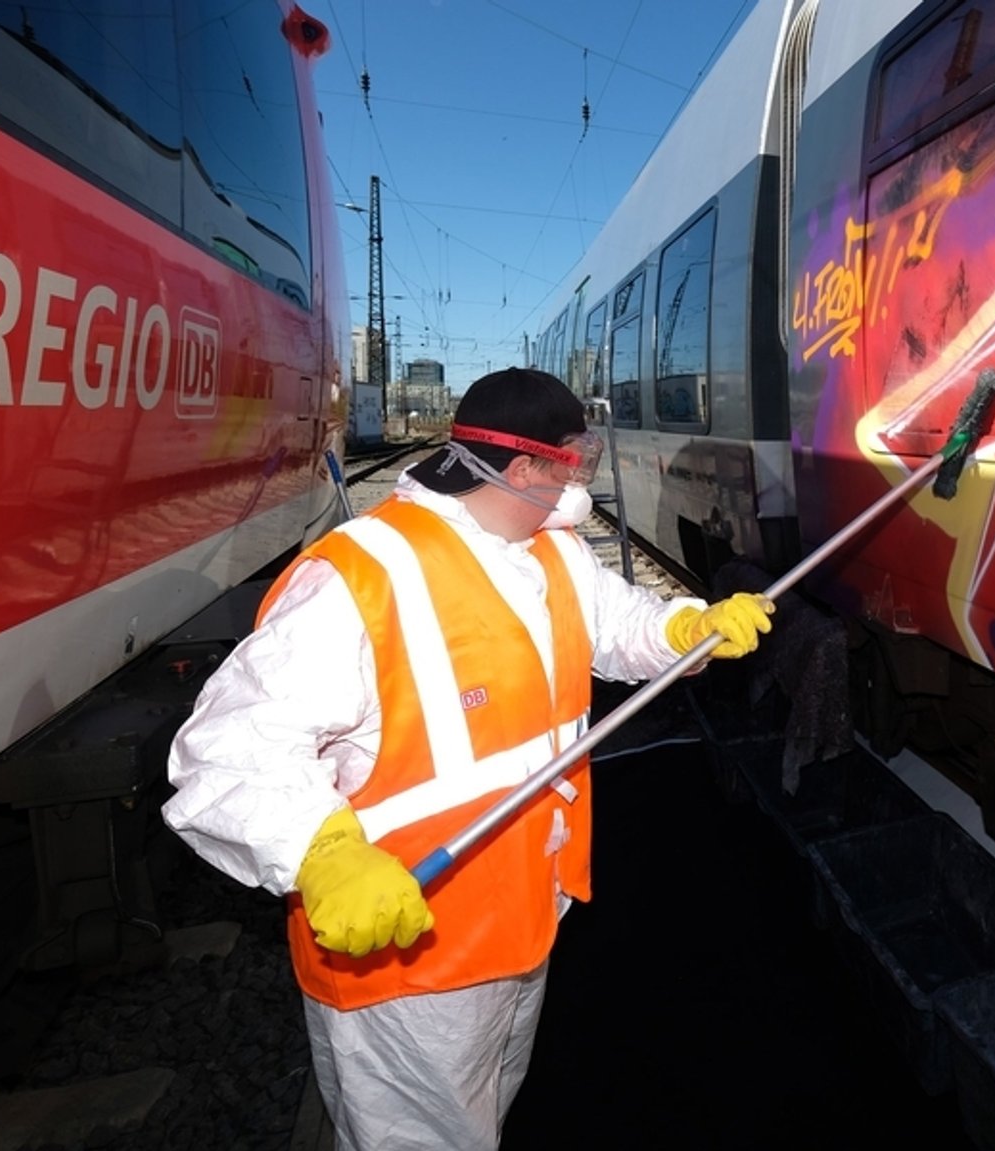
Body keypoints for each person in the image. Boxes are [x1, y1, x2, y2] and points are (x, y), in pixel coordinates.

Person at [162, 368, 772, 1150]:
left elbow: (621, 625)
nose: (577, 482)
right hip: (406, 957)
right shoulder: (364, 575)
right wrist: (321, 848)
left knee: (480, 1119)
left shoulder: (550, 551)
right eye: (570, 464)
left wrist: (689, 630)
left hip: (520, 924)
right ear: (521, 469)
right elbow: (225, 745)